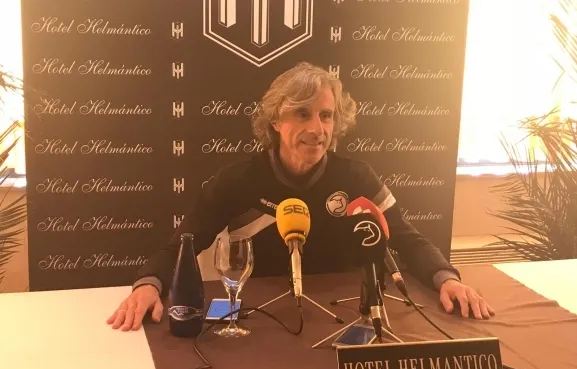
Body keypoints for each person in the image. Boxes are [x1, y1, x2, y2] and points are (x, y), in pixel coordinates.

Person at [107, 62, 495, 332]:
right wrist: (148, 285)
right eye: (302, 114)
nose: (317, 129)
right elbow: (182, 244)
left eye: (326, 116)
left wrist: (447, 279)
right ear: (275, 121)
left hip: (346, 321)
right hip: (266, 323)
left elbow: (409, 240)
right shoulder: (237, 180)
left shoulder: (358, 177)